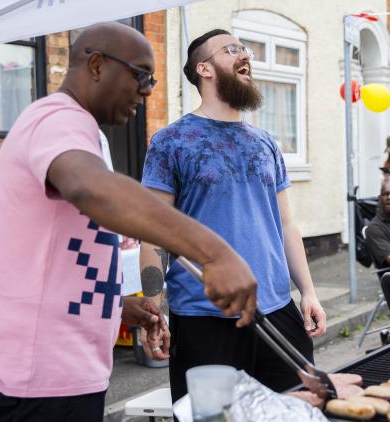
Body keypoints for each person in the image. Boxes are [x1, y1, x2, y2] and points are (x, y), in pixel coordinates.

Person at [0, 23, 258, 422]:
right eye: (140, 75)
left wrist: (114, 307)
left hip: (57, 370)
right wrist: (214, 253)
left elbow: (56, 255)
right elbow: (92, 191)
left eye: (151, 79)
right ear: (97, 65)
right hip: (34, 379)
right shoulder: (55, 119)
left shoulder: (85, 133)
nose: (148, 89)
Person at [139, 28, 326, 402]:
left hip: (276, 311)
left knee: (295, 411)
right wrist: (154, 308)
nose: (245, 56)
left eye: (245, 49)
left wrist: (307, 291)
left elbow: (286, 224)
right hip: (204, 318)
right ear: (204, 69)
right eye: (232, 50)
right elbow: (153, 232)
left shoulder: (265, 143)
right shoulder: (171, 142)